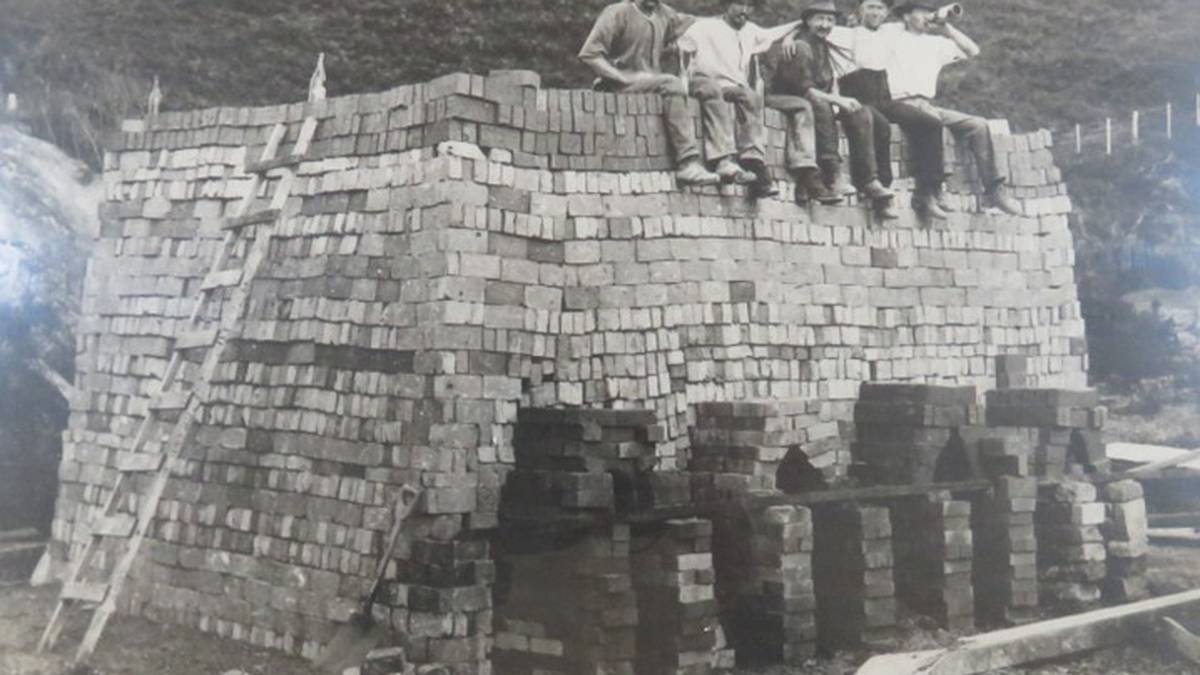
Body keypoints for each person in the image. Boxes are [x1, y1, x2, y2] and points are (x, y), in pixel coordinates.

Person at [885, 0, 1022, 216]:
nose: (927, 16)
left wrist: (946, 27)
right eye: (921, 13)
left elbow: (972, 50)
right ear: (906, 16)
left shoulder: (935, 43)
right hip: (901, 103)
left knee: (978, 125)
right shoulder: (893, 38)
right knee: (933, 121)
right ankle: (935, 191)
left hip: (926, 102)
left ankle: (994, 191)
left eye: (929, 12)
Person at [823, 0, 951, 218]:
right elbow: (811, 26)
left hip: (883, 95)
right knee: (880, 126)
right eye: (871, 7)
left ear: (886, 13)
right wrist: (789, 38)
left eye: (880, 8)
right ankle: (879, 192)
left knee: (930, 123)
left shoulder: (891, 31)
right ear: (860, 10)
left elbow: (924, 19)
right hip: (857, 95)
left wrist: (942, 18)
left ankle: (927, 192)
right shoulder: (843, 34)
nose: (875, 12)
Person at [579, 0, 721, 186]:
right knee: (671, 83)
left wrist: (722, 21)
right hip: (618, 85)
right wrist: (621, 77)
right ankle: (687, 163)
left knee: (709, 87)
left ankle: (724, 160)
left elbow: (693, 23)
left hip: (650, 82)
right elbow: (590, 54)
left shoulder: (665, 14)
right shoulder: (617, 13)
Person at [779, 0, 897, 218]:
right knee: (824, 107)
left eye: (829, 20)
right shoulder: (801, 47)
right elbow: (806, 91)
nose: (825, 25)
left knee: (860, 112)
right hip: (793, 99)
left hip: (821, 99)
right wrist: (837, 100)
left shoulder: (824, 44)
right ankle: (831, 172)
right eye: (820, 19)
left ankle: (869, 180)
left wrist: (841, 100)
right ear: (807, 21)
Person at [677, 0, 802, 198]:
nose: (744, 11)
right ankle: (722, 160)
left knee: (750, 97)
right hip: (703, 81)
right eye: (739, 4)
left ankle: (752, 160)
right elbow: (679, 43)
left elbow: (777, 32)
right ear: (726, 6)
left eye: (749, 6)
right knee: (714, 91)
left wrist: (795, 31)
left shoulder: (751, 31)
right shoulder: (705, 27)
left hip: (731, 87)